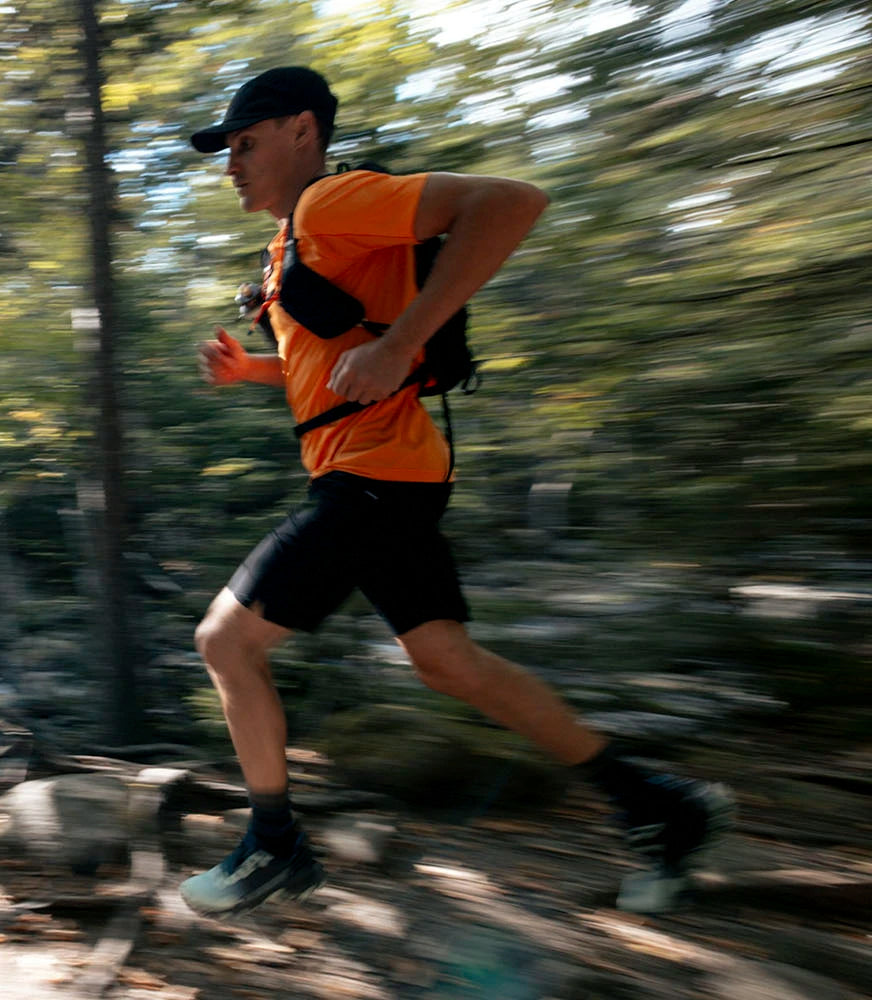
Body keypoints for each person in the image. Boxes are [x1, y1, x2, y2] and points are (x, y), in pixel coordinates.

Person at [178, 66, 732, 918]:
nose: (232, 166)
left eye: (245, 144)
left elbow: (512, 202)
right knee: (447, 663)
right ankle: (656, 803)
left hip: (369, 480)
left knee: (225, 642)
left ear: (300, 130)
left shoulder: (334, 203)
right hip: (393, 475)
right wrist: (254, 369)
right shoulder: (292, 241)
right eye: (228, 152)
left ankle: (274, 846)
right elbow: (333, 365)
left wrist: (404, 342)